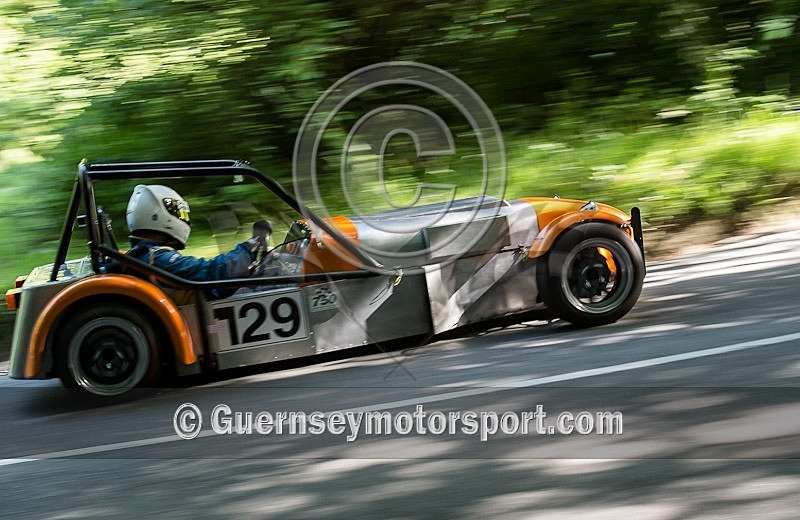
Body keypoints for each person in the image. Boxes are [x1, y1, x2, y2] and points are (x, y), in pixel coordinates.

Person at [125, 184, 269, 283]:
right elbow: (207, 271)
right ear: (158, 216)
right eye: (181, 213)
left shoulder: (139, 255)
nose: (184, 219)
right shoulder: (157, 258)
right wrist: (248, 248)